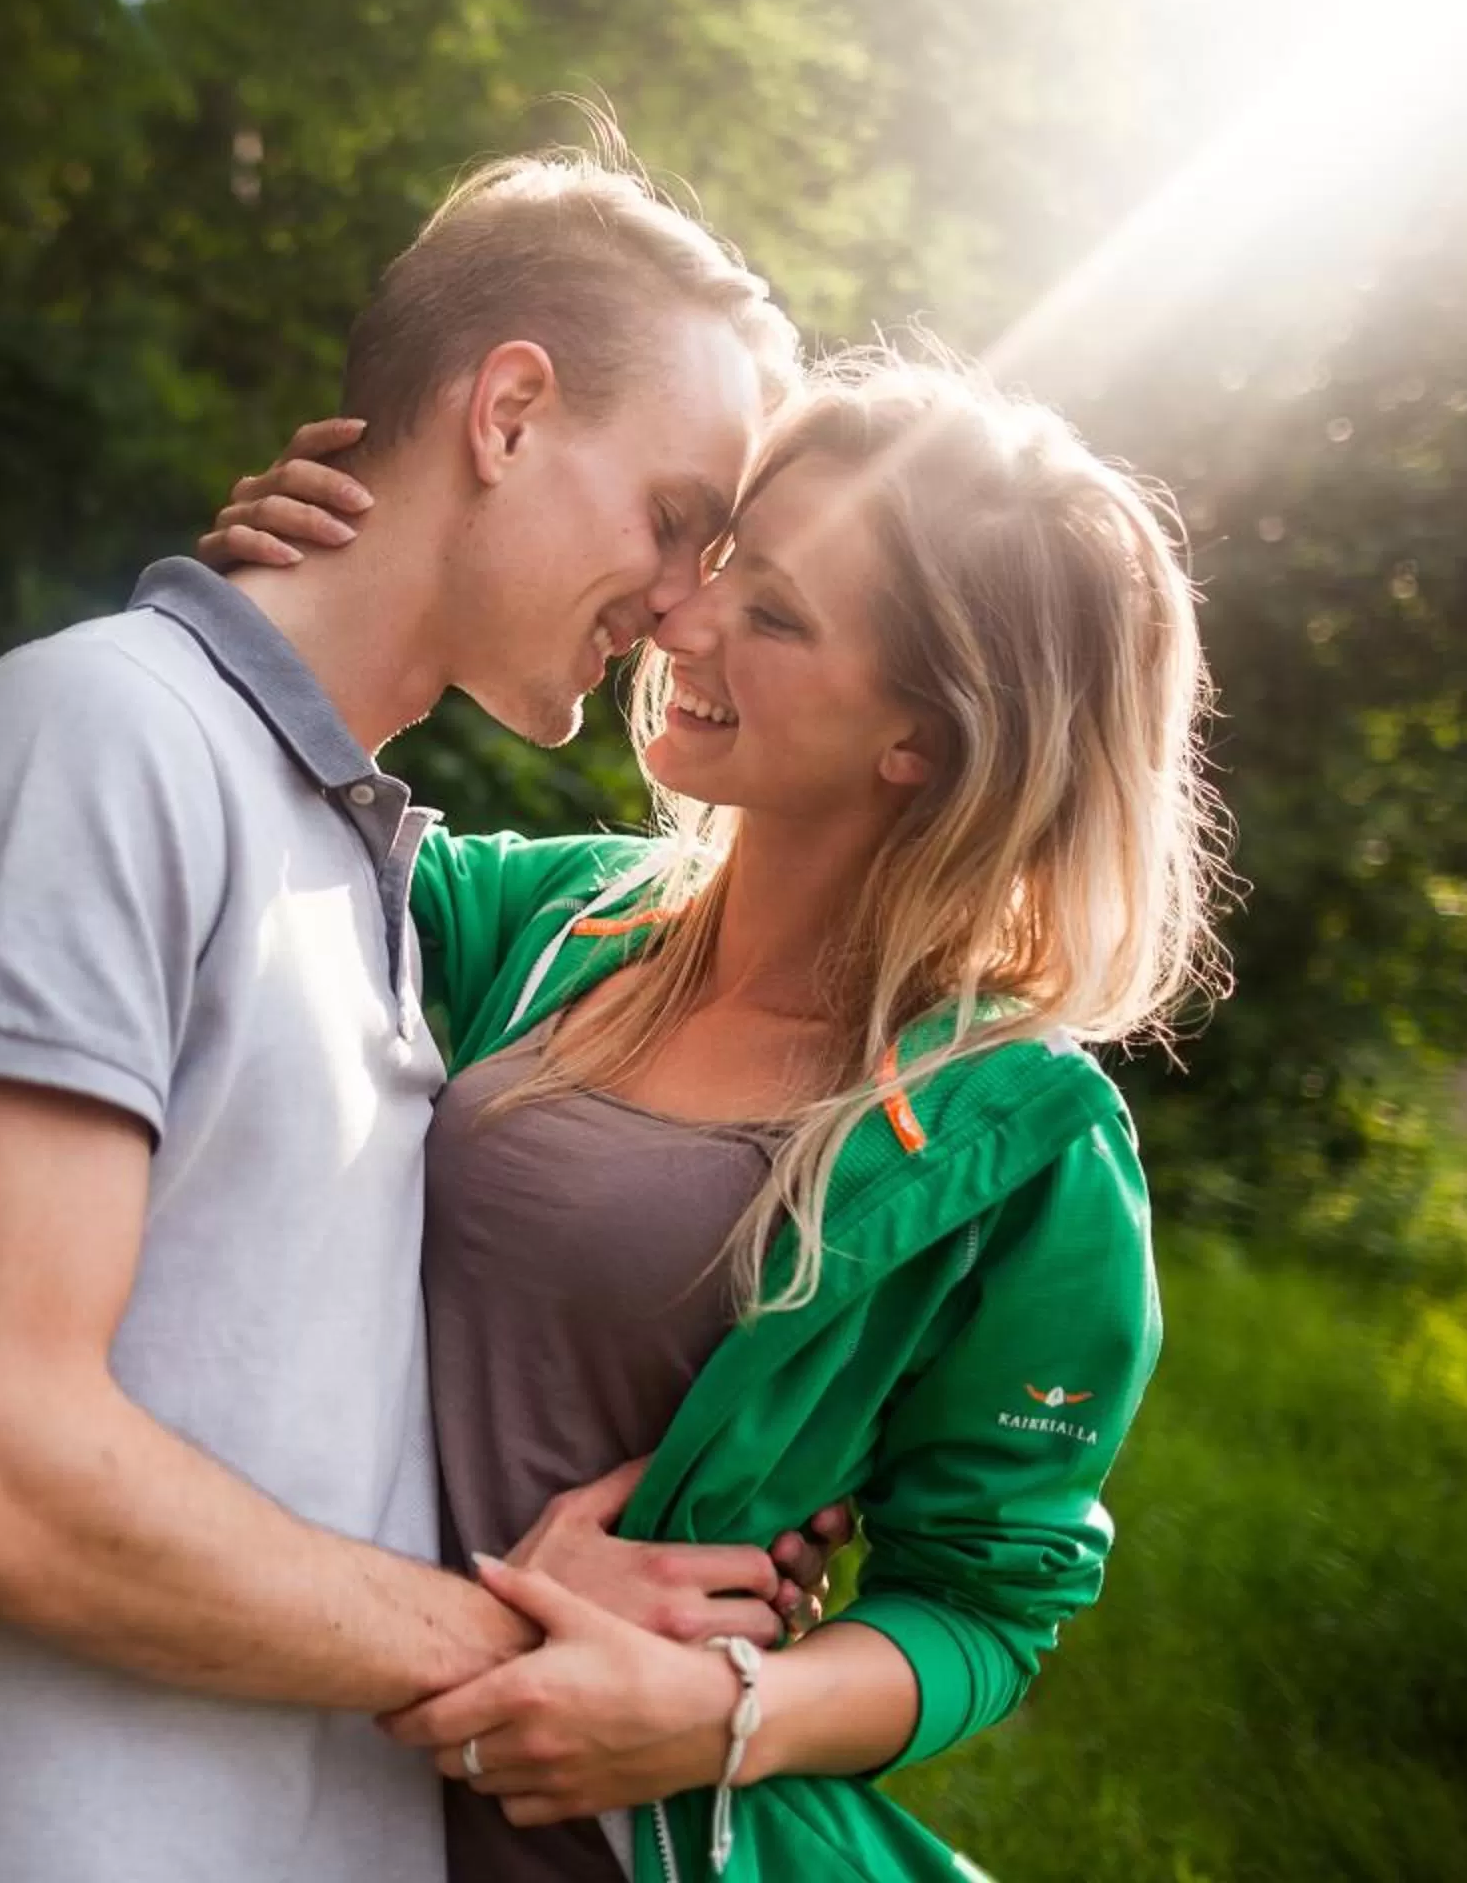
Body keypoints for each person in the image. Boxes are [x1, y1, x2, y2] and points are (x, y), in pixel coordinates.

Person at [0, 149, 861, 1883]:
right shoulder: (95, 752)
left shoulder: (361, 878)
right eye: (671, 518)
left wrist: (551, 1585)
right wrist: (522, 1657)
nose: (682, 606)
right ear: (507, 411)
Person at [206, 347, 1225, 1880]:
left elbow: (985, 1610)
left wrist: (726, 1708)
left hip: (619, 1842)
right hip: (294, 1770)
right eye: (724, 565)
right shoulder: (536, 925)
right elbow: (250, 847)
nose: (680, 615)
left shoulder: (1018, 1137)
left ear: (923, 742)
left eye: (777, 612)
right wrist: (282, 602)